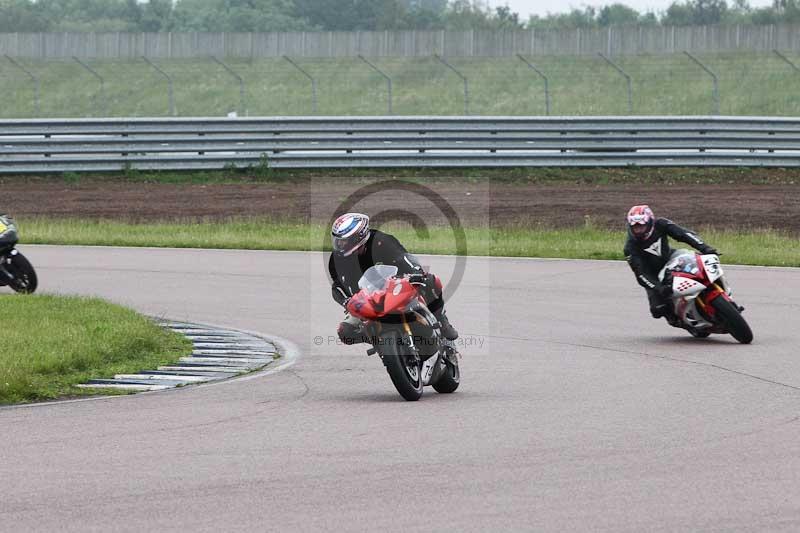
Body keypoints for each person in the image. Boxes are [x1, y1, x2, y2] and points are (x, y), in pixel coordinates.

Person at [328, 212, 458, 344]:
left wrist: (416, 272)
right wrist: (346, 301)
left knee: (430, 280)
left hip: (397, 286)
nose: (340, 245)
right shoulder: (335, 260)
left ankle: (442, 321)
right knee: (345, 332)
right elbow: (337, 286)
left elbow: (403, 258)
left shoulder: (382, 241)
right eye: (337, 241)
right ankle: (381, 343)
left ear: (358, 237)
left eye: (344, 241)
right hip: (367, 300)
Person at [624, 205, 718, 321]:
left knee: (702, 264)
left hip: (672, 257)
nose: (638, 229)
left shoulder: (661, 223)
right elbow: (641, 274)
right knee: (658, 310)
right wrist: (658, 288)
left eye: (641, 225)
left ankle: (721, 292)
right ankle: (681, 320)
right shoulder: (630, 247)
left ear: (649, 222)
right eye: (635, 226)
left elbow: (684, 235)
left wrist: (705, 248)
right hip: (654, 274)